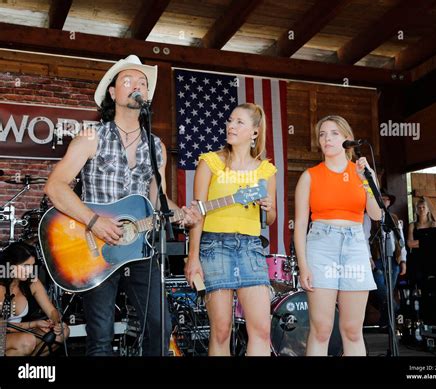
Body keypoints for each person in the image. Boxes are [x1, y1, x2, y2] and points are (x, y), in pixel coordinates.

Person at [44, 54, 200, 356]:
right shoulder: (92, 137)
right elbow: (55, 186)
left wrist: (181, 214)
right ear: (113, 93)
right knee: (100, 337)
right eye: (127, 81)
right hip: (95, 249)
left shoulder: (156, 146)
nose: (136, 85)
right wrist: (94, 221)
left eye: (142, 82)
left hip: (139, 248)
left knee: (160, 325)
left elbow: (158, 200)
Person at [184, 103, 277, 356]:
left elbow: (270, 219)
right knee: (221, 330)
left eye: (239, 122)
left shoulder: (266, 170)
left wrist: (268, 208)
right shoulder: (210, 162)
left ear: (254, 132)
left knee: (261, 329)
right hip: (214, 246)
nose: (231, 126)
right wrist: (193, 258)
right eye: (230, 120)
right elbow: (196, 215)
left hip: (250, 246)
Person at [294, 115, 381, 356]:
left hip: (354, 245)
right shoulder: (309, 176)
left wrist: (367, 180)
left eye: (333, 133)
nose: (326, 138)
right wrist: (304, 266)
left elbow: (375, 215)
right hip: (321, 245)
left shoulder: (361, 172)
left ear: (347, 140)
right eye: (322, 134)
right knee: (321, 329)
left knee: (352, 330)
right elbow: (300, 225)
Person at [0, 242, 69, 356]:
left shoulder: (31, 281)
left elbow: (51, 311)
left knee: (62, 332)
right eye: (25, 266)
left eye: (32, 266)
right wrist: (34, 324)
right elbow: (3, 327)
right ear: (10, 265)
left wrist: (57, 322)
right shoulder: (1, 287)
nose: (30, 271)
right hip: (2, 336)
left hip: (18, 334)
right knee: (27, 341)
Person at [370, 190, 407, 328]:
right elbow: (365, 238)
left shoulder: (394, 218)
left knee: (388, 291)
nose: (384, 201)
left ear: (389, 202)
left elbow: (400, 240)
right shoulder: (370, 217)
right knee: (381, 290)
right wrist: (369, 257)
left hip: (393, 260)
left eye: (386, 199)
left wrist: (403, 260)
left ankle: (386, 324)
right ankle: (397, 308)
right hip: (377, 259)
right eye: (382, 199)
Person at [406, 198, 436, 287]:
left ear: (428, 210)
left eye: (424, 207)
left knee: (431, 283)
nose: (421, 209)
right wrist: (427, 242)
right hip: (416, 258)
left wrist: (419, 243)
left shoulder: (433, 224)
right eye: (419, 207)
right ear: (416, 210)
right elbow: (410, 243)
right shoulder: (412, 225)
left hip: (430, 257)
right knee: (417, 282)